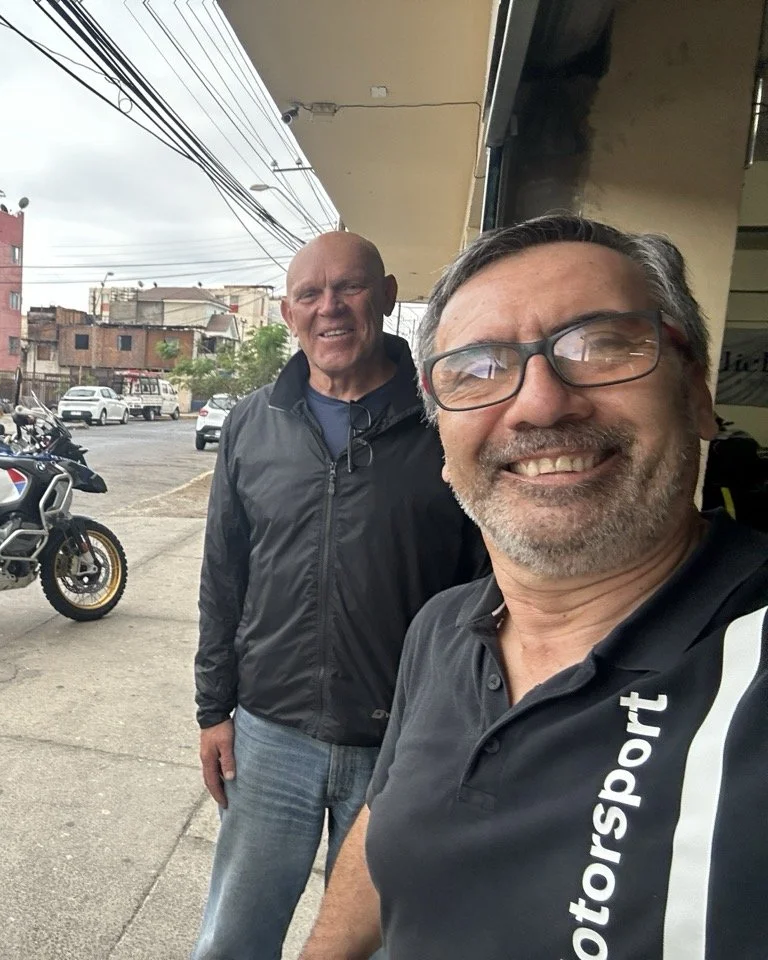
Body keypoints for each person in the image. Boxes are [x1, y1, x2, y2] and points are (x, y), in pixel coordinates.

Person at [299, 215, 768, 960]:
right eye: (477, 369)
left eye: (600, 344)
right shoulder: (443, 631)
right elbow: (387, 822)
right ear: (442, 440)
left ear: (697, 390)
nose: (540, 403)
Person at [193, 231, 487, 959]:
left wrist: (468, 724)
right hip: (268, 735)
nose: (330, 308)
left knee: (374, 945)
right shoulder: (252, 422)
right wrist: (213, 710)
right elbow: (224, 574)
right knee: (233, 939)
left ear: (386, 296)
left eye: (349, 288)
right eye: (309, 294)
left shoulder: (447, 419)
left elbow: (487, 585)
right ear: (288, 314)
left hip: (403, 743)